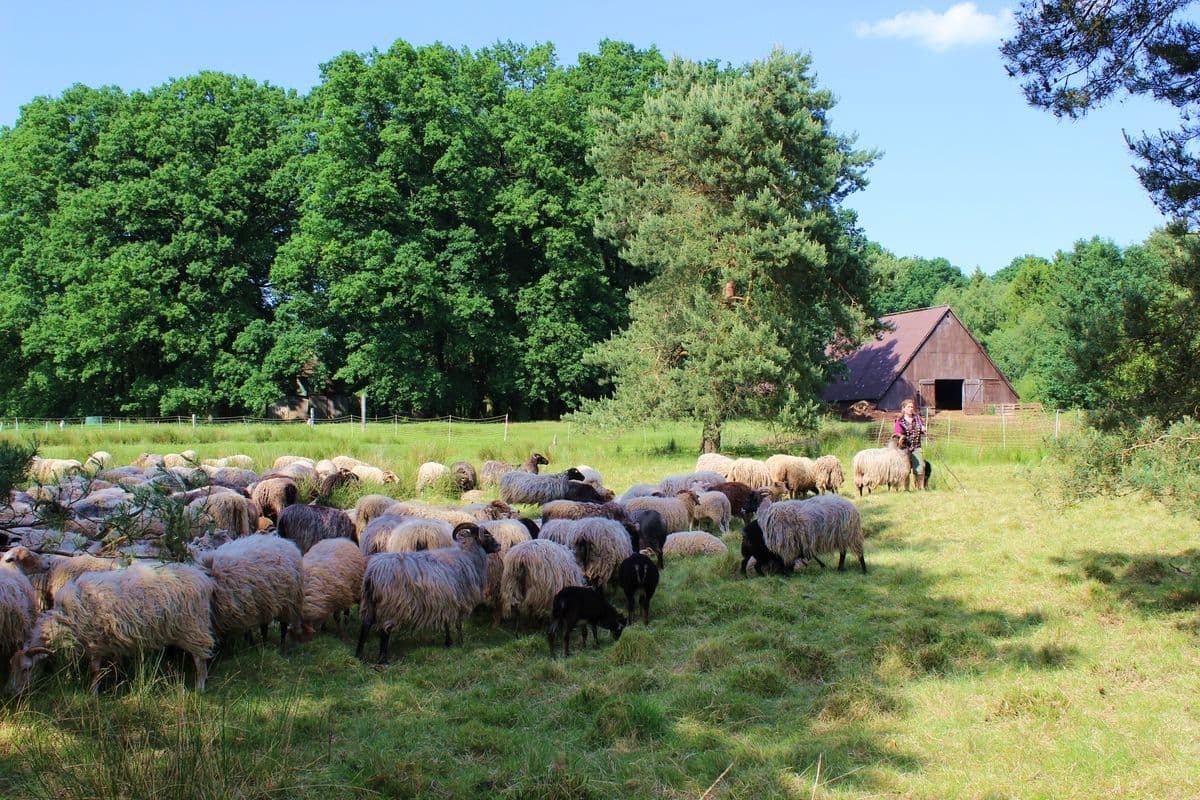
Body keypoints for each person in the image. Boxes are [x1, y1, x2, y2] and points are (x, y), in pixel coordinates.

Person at [894, 399, 927, 491]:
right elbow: (897, 433)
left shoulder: (918, 419)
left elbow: (922, 427)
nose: (911, 409)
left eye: (912, 407)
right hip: (904, 449)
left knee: (920, 468)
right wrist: (901, 436)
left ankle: (921, 488)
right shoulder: (899, 421)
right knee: (906, 470)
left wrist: (923, 428)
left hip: (917, 447)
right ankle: (906, 489)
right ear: (904, 408)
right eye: (908, 407)